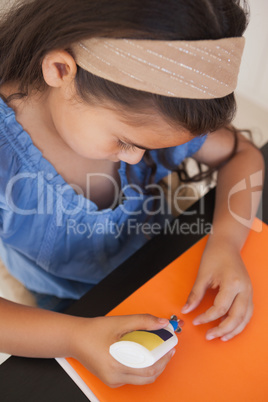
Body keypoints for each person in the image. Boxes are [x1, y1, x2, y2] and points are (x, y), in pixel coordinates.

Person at [0, 0, 264, 388]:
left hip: (166, 266)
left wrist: (225, 242)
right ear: (60, 70)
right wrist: (75, 337)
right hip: (71, 309)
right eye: (125, 141)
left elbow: (244, 155)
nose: (140, 157)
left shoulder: (147, 112)